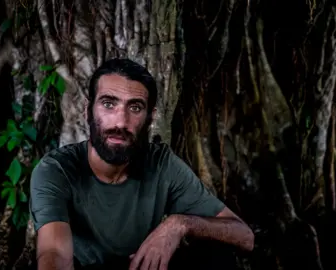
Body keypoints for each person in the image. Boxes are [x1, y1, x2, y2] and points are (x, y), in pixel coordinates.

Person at [29, 58, 254, 270]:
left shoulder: (161, 164)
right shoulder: (56, 170)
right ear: (88, 111)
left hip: (141, 265)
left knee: (216, 254)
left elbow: (244, 236)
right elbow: (54, 254)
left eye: (135, 108)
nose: (121, 122)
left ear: (150, 117)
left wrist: (179, 224)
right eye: (108, 104)